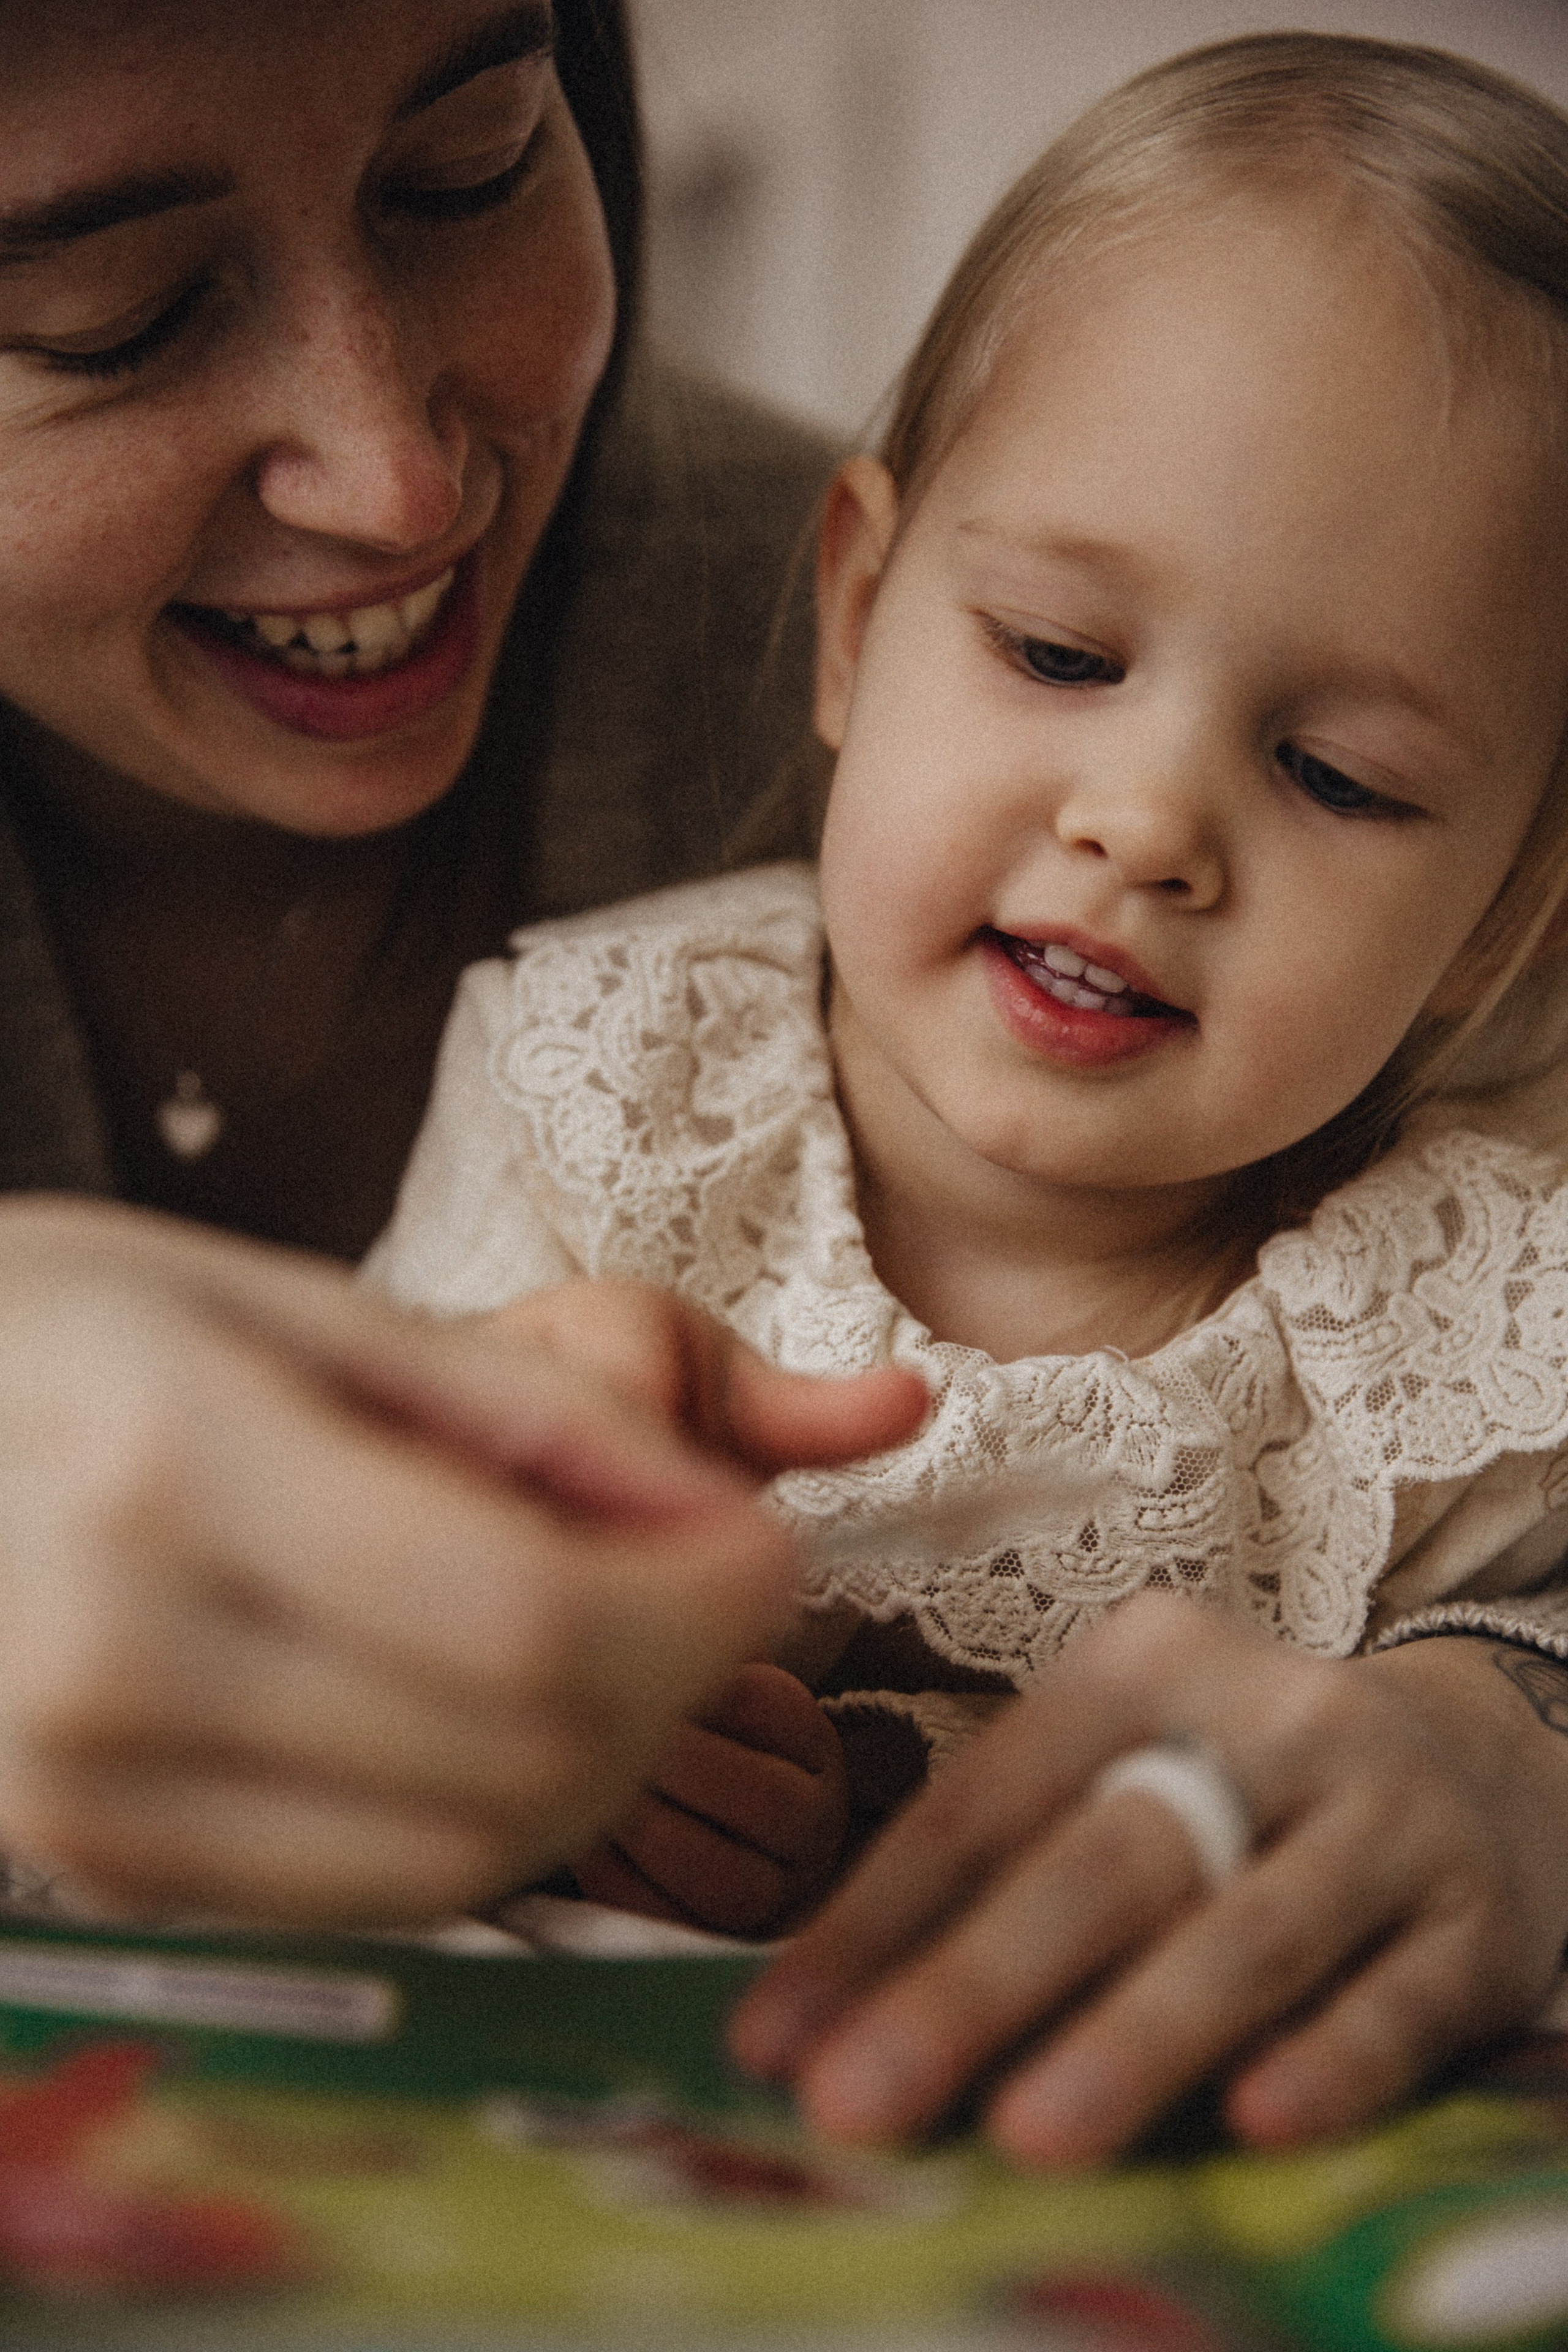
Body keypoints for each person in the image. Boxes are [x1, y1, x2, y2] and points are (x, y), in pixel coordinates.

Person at [368, 32, 1568, 2160]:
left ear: (1498, 918)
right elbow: (332, 1579)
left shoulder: (1468, 1324)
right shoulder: (610, 1085)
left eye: (1337, 776)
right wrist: (536, 1693)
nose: (1146, 825)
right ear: (856, 615)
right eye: (1058, 656)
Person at [0, 0, 927, 1929]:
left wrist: (1505, 1717)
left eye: (472, 169)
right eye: (115, 319)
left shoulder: (940, 675)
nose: (396, 485)